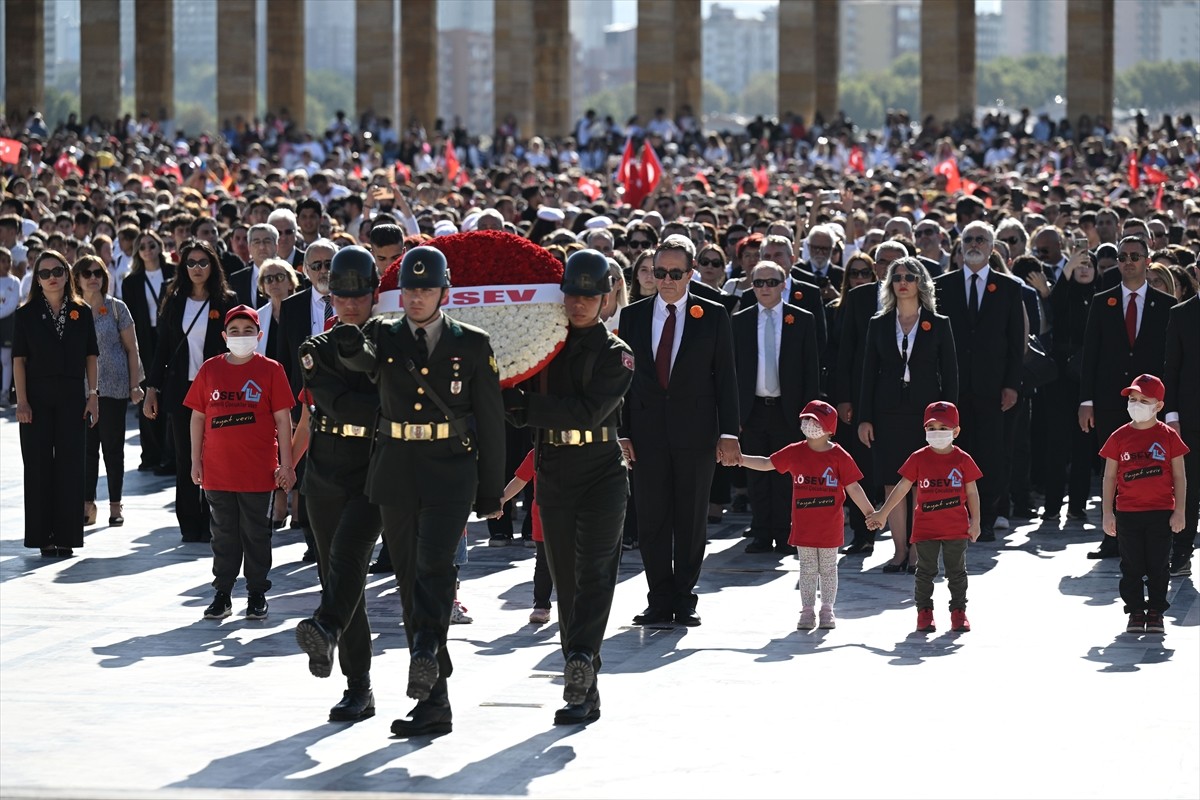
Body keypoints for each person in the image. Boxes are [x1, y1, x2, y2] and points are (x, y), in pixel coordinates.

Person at [334, 245, 504, 737]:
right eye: (410, 289)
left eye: (427, 289)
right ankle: (433, 701)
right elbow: (364, 360)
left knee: (434, 567)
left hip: (451, 471)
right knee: (411, 581)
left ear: (445, 293)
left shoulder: (471, 343)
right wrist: (347, 344)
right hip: (397, 470)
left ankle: (427, 653)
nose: (417, 298)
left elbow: (491, 423)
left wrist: (491, 491)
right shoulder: (384, 334)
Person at [499, 248, 633, 724]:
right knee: (567, 579)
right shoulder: (541, 346)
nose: (579, 304)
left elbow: (587, 412)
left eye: (589, 296)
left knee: (596, 571)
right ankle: (581, 675)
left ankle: (580, 666)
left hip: (600, 468)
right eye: (572, 294)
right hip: (553, 465)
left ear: (606, 298)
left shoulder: (617, 353)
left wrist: (522, 407)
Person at [618, 234, 741, 628]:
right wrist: (621, 432)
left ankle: (685, 598)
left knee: (690, 520)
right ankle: (659, 598)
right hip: (646, 434)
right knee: (652, 518)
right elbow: (622, 379)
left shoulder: (714, 314)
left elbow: (726, 378)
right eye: (659, 272)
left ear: (690, 274)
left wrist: (729, 433)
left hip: (696, 433)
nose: (666, 280)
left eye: (674, 273)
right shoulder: (634, 316)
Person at [292, 246, 385, 723]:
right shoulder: (316, 348)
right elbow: (343, 406)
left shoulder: (392, 343)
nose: (350, 305)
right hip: (326, 471)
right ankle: (358, 686)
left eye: (359, 295)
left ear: (375, 294)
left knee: (348, 564)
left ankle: (330, 638)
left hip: (373, 473)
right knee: (339, 579)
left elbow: (382, 405)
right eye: (341, 296)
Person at [185, 305, 295, 620]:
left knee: (257, 533)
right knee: (223, 534)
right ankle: (222, 593)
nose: (241, 337)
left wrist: (286, 465)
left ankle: (257, 592)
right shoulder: (210, 369)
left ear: (259, 336)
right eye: (235, 331)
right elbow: (197, 417)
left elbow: (283, 421)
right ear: (224, 336)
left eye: (248, 331)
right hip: (218, 471)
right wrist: (195, 460)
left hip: (259, 471)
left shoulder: (271, 370)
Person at [858, 256, 958, 571]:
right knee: (892, 482)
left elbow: (951, 374)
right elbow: (868, 373)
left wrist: (950, 421)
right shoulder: (878, 323)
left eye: (910, 276)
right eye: (897, 276)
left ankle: (919, 552)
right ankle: (899, 551)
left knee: (922, 484)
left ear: (921, 283)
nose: (903, 281)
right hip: (887, 412)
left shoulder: (939, 323)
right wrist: (865, 417)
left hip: (926, 416)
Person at [741, 400, 875, 630]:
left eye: (814, 420)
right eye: (806, 419)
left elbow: (853, 487)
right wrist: (740, 459)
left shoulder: (839, 456)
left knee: (829, 569)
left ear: (829, 428)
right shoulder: (795, 451)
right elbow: (766, 463)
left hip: (829, 528)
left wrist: (869, 513)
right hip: (804, 527)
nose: (808, 424)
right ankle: (807, 610)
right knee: (807, 569)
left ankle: (827, 609)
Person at [1079, 236, 1174, 558]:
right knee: (1115, 469)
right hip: (1109, 401)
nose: (1128, 261)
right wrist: (1086, 401)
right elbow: (1090, 354)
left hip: (1150, 405)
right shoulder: (1102, 301)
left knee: (1151, 469)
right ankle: (1113, 536)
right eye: (1122, 256)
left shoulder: (1165, 304)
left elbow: (1170, 359)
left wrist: (1170, 409)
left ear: (1148, 260)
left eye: (1135, 256)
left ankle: (1153, 537)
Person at [934, 221, 1024, 543]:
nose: (974, 244)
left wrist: (1012, 384)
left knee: (989, 454)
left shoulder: (1009, 287)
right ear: (959, 247)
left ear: (992, 246)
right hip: (953, 388)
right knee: (954, 452)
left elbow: (1016, 342)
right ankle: (955, 517)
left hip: (992, 387)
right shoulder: (941, 286)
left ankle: (984, 519)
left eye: (981, 239)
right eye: (968, 239)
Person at [144, 240, 239, 542]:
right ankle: (190, 524)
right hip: (181, 390)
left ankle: (214, 521)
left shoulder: (226, 300)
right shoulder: (173, 300)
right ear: (183, 268)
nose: (197, 268)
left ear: (213, 266)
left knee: (214, 458)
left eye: (203, 262)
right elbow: (162, 349)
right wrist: (151, 389)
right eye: (191, 263)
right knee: (187, 458)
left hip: (218, 391)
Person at [13, 250, 99, 557]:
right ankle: (42, 536)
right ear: (36, 279)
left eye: (58, 271)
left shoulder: (82, 311)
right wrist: (21, 401)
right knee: (37, 467)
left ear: (67, 275)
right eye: (45, 273)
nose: (52, 277)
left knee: (70, 465)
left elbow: (91, 355)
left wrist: (93, 395)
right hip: (35, 396)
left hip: (72, 395)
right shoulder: (25, 314)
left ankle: (67, 536)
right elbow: (19, 361)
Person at [868, 402, 982, 633]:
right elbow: (900, 489)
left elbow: (972, 491)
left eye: (943, 428)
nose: (937, 433)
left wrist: (976, 521)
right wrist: (882, 513)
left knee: (956, 572)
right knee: (924, 573)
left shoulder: (963, 459)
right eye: (931, 428)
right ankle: (924, 612)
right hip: (925, 529)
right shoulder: (918, 458)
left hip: (956, 528)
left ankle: (958, 611)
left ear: (956, 432)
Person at [732, 259, 820, 555]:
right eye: (759, 283)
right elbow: (732, 370)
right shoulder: (740, 321)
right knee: (756, 474)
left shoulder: (802, 318)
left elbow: (811, 368)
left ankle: (785, 534)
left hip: (788, 409)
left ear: (784, 285)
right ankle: (760, 532)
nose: (765, 288)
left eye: (772, 282)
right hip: (753, 408)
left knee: (787, 475)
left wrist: (809, 414)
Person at [1098, 375, 1189, 634]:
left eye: (1143, 400)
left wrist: (1180, 510)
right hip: (1128, 514)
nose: (1136, 404)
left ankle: (1156, 610)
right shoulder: (1119, 436)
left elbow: (1181, 476)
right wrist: (1107, 513)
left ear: (1158, 406)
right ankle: (1136, 611)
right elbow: (1109, 476)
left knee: (1159, 565)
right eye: (1132, 399)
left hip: (1161, 513)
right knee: (1131, 565)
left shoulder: (1169, 436)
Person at [74, 254, 143, 527]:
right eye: (87, 273)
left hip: (113, 389)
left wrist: (135, 385)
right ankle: (87, 505)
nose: (93, 278)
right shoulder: (72, 309)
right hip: (80, 390)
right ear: (77, 279)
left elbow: (132, 348)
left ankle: (116, 505)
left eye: (98, 273)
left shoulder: (116, 308)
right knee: (86, 450)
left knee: (113, 449)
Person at [121, 230, 174, 475]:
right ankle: (150, 454)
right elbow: (130, 316)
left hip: (169, 339)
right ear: (137, 252)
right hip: (144, 341)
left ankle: (169, 454)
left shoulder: (173, 272)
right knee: (147, 396)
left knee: (170, 398)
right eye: (142, 247)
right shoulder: (131, 281)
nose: (148, 250)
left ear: (159, 246)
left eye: (152, 245)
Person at [1163, 295, 1199, 577]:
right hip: (1190, 417)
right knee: (1189, 487)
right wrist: (1172, 415)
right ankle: (1182, 553)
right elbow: (1171, 368)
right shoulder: (1181, 314)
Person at [496, 448, 553, 624]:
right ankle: (541, 605)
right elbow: (520, 480)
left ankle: (575, 604)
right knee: (544, 563)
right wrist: (502, 500)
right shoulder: (537, 454)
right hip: (543, 517)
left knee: (574, 564)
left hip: (573, 517)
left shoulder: (580, 450)